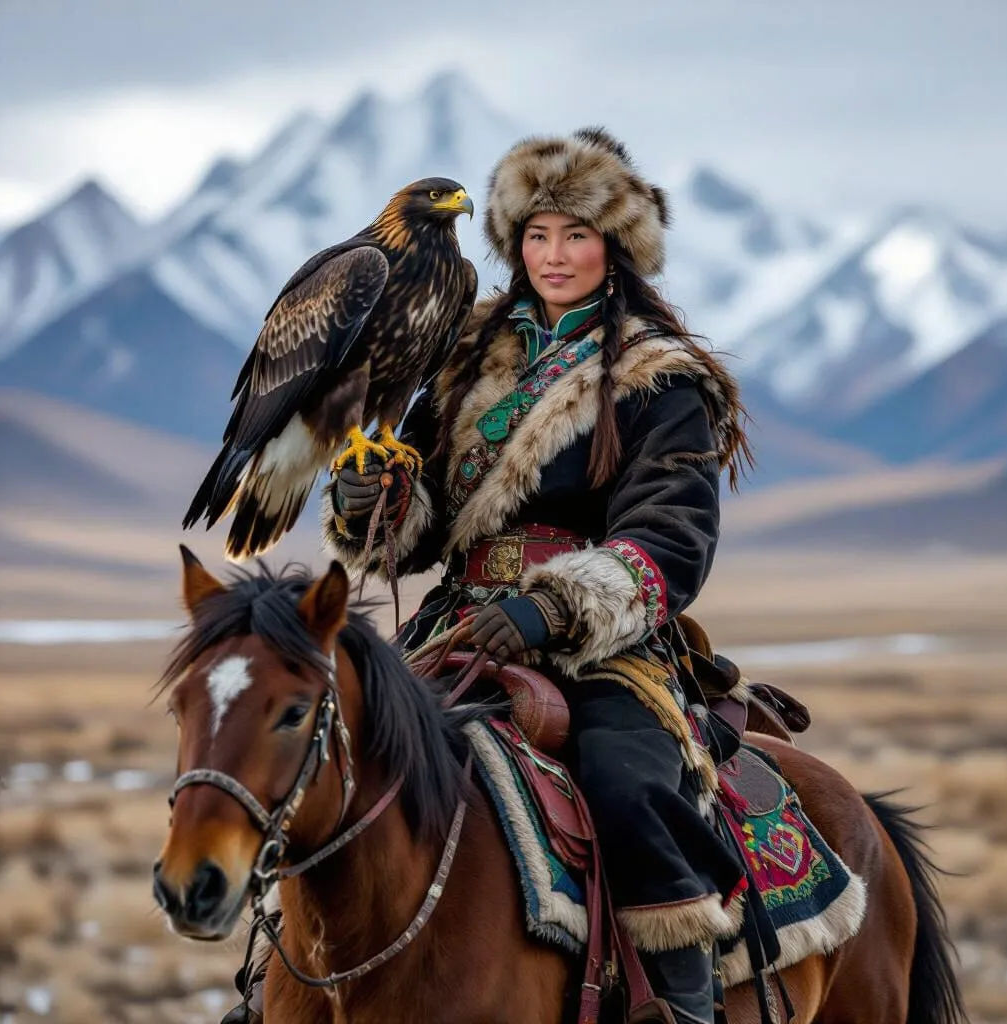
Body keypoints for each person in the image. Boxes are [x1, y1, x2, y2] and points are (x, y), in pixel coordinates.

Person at [327, 127, 751, 1024]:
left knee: (628, 784)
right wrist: (375, 501)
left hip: (602, 640)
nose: (554, 256)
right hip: (458, 622)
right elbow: (419, 521)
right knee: (332, 756)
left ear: (615, 248)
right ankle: (285, 977)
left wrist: (549, 610)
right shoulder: (467, 356)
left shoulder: (659, 377)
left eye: (576, 235)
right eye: (536, 235)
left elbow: (673, 538)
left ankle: (682, 1002)